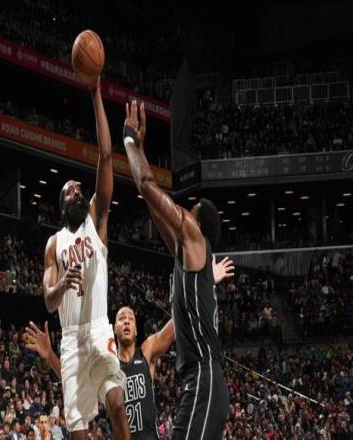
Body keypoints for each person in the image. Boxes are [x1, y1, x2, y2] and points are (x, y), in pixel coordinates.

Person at [26, 256, 234, 439]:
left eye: (131, 319)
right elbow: (74, 380)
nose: (126, 321)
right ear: (114, 329)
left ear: (135, 330)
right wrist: (49, 354)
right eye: (121, 318)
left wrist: (207, 283)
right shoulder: (106, 365)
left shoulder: (147, 351)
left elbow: (179, 319)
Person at [122, 100, 229, 439]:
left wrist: (129, 141)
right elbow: (153, 206)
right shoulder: (188, 256)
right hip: (198, 382)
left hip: (204, 379)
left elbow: (147, 186)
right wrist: (142, 152)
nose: (185, 212)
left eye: (191, 209)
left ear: (198, 222)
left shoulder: (196, 237)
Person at [42, 76, 129, 439]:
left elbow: (106, 156)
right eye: (70, 191)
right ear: (62, 206)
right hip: (70, 340)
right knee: (78, 433)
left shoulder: (97, 220)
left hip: (98, 328)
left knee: (117, 405)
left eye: (79, 189)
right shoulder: (54, 244)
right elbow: (49, 302)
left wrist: (96, 94)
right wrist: (63, 283)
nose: (78, 192)